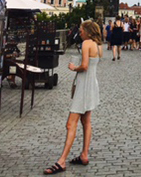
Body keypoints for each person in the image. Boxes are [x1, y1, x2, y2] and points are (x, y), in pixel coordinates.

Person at [44, 20, 102, 175]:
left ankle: (61, 161)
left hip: (83, 86)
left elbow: (84, 66)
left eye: (82, 30)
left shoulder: (86, 44)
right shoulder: (98, 45)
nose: (80, 32)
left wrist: (73, 68)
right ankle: (84, 154)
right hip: (92, 85)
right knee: (86, 121)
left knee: (71, 124)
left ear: (88, 31)